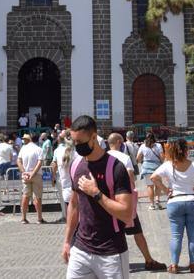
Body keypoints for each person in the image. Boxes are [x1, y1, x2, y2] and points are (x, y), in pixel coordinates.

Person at [61, 115, 133, 278]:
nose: (77, 146)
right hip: (81, 249)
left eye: (80, 142)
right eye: (75, 142)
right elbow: (74, 204)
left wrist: (96, 193)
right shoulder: (76, 165)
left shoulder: (116, 168)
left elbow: (126, 213)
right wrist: (67, 241)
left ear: (94, 137)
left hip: (111, 253)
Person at [149, 136, 194, 274]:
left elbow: (153, 177)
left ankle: (174, 264)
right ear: (186, 150)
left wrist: (165, 190)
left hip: (175, 201)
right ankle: (193, 264)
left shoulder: (167, 165)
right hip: (193, 201)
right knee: (193, 234)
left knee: (176, 235)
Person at [107, 133, 166, 272]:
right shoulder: (124, 157)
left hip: (109, 202)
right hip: (124, 201)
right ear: (118, 142)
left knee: (113, 233)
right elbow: (130, 178)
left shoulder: (104, 158)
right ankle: (148, 260)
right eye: (121, 142)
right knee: (137, 232)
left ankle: (114, 263)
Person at [16, 133, 45, 223]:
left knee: (25, 196)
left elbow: (18, 161)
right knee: (37, 197)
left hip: (26, 175)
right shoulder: (39, 149)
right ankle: (39, 218)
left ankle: (23, 218)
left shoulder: (23, 148)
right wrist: (33, 173)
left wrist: (24, 171)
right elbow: (40, 162)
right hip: (36, 175)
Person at [137, 133, 164, 210]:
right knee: (158, 185)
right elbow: (162, 157)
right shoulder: (158, 146)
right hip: (157, 168)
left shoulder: (142, 146)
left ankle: (152, 205)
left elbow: (138, 158)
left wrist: (142, 162)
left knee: (150, 186)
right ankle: (158, 200)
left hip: (146, 168)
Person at [52, 133, 75, 223]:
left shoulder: (57, 151)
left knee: (64, 201)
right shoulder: (76, 151)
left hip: (63, 181)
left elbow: (54, 165)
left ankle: (65, 217)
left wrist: (53, 177)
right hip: (75, 182)